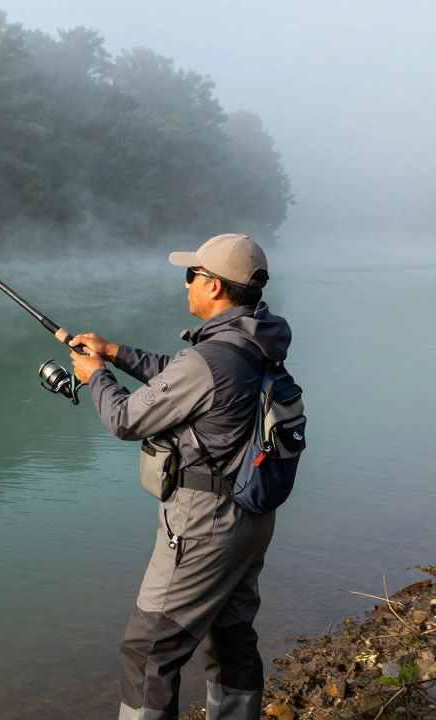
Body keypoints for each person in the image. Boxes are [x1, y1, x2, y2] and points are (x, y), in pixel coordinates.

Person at [67, 233, 293, 720]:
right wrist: (114, 351)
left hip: (203, 525)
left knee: (148, 651)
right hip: (251, 516)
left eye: (192, 275)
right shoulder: (253, 341)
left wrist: (95, 375)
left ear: (214, 287)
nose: (186, 282)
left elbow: (126, 418)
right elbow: (179, 375)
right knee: (231, 636)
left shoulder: (210, 358)